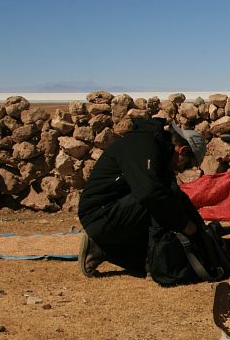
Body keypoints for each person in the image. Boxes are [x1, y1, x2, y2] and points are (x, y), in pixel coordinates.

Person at [77, 117, 207, 277]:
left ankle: (101, 248)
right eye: (186, 165)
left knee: (166, 259)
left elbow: (178, 200)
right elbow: (150, 194)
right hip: (98, 214)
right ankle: (110, 244)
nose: (182, 170)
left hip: (114, 212)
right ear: (183, 150)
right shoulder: (144, 145)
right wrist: (183, 224)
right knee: (161, 199)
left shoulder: (160, 152)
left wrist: (200, 229)